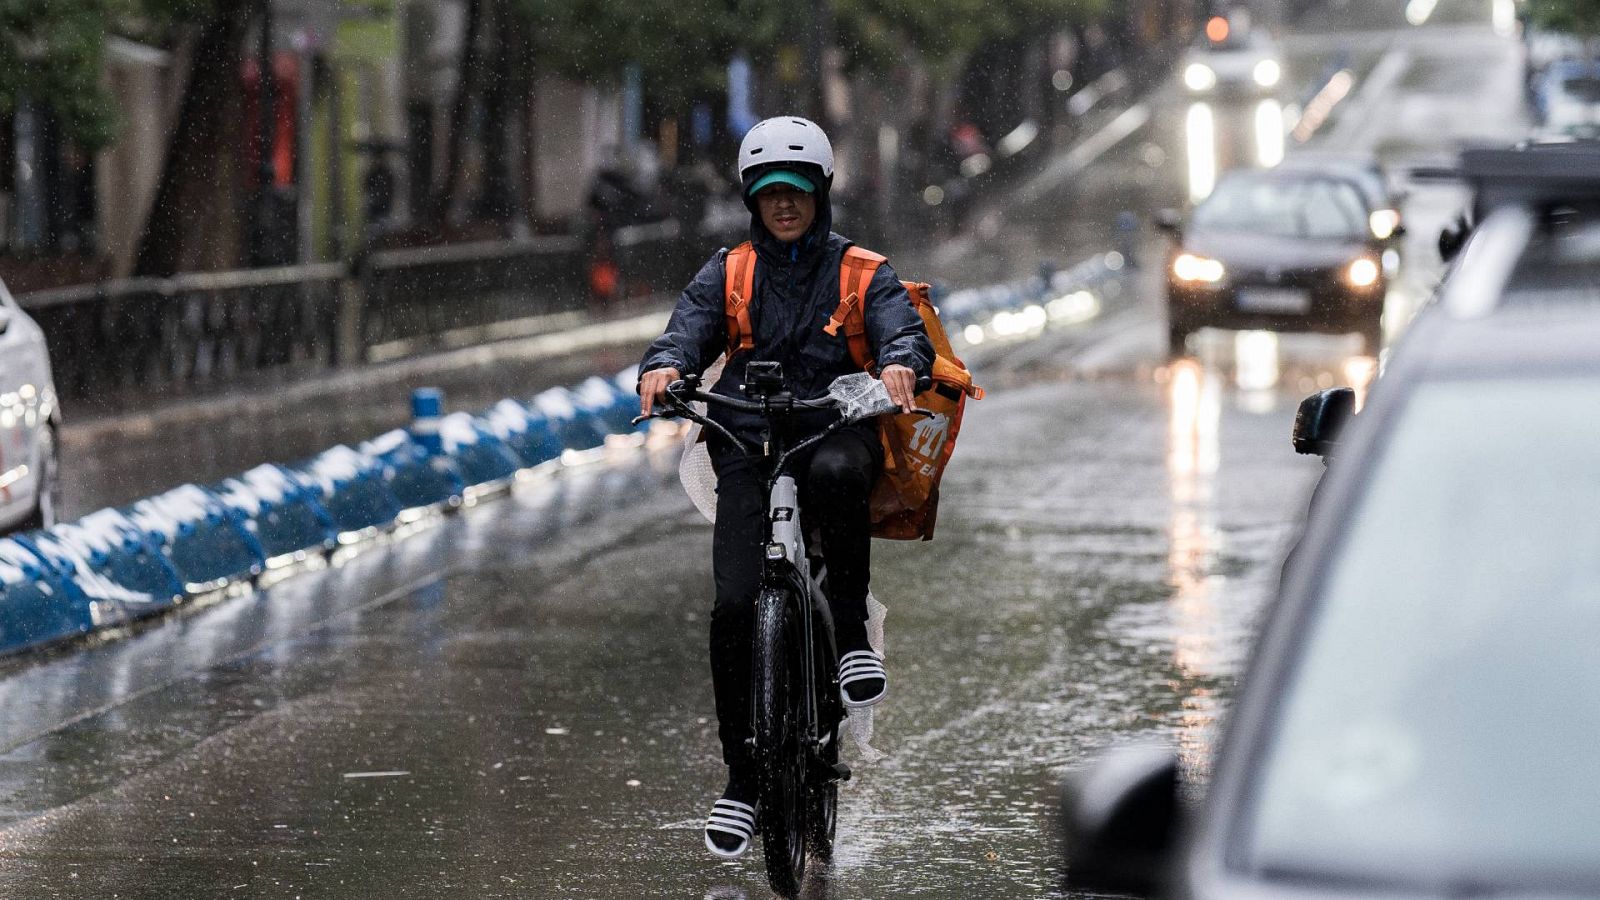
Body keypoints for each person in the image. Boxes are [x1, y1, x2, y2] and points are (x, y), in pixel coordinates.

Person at [636, 116, 934, 860]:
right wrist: (664, 366)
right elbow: (686, 330)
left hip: (831, 428)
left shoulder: (864, 270)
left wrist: (900, 360)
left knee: (838, 473)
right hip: (747, 439)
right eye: (770, 195)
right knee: (734, 605)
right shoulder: (727, 271)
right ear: (751, 200)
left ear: (821, 193)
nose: (784, 206)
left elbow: (903, 329)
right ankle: (741, 779)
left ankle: (851, 643)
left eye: (797, 192)